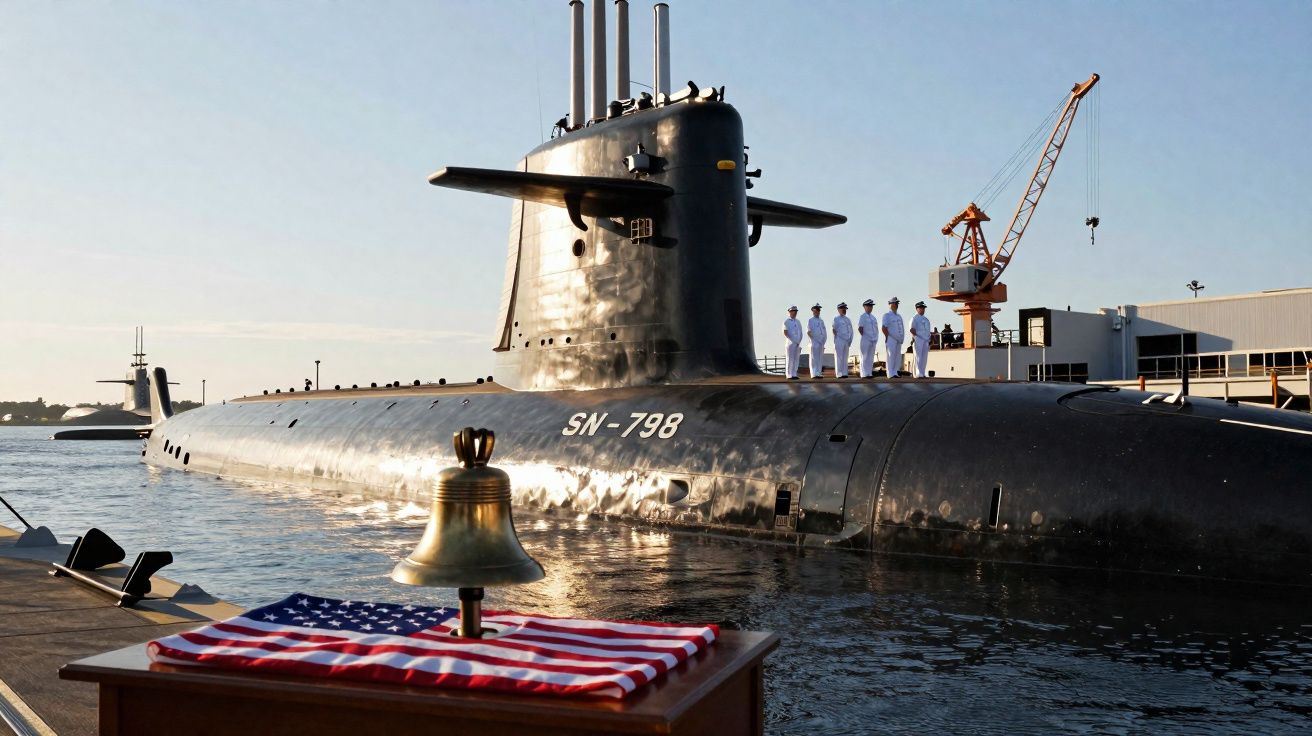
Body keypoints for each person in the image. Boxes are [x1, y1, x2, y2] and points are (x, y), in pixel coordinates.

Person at [881, 297, 905, 376]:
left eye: (897, 303)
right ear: (890, 304)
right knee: (891, 356)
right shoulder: (887, 315)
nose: (896, 305)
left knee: (897, 357)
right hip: (891, 338)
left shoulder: (899, 316)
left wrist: (902, 338)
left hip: (898, 339)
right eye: (894, 303)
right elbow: (884, 327)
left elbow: (901, 328)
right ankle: (890, 373)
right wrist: (887, 337)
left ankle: (895, 372)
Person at [910, 301, 932, 378]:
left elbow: (928, 330)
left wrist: (929, 339)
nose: (923, 309)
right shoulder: (914, 318)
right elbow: (912, 329)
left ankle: (922, 372)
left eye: (923, 308)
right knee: (918, 356)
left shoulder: (926, 319)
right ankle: (917, 372)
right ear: (917, 309)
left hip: (926, 340)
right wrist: (914, 338)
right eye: (921, 308)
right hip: (918, 339)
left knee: (924, 357)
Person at [857, 298, 879, 378]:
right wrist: (865, 336)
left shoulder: (873, 317)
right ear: (865, 307)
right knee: (864, 357)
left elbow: (876, 329)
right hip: (866, 339)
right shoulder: (863, 316)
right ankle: (864, 374)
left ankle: (869, 373)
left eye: (871, 306)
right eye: (869, 306)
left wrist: (875, 338)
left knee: (871, 357)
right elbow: (860, 328)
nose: (870, 307)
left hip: (873, 340)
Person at [831, 302, 853, 378]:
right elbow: (834, 330)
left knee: (845, 357)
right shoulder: (836, 319)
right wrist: (836, 339)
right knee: (839, 357)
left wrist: (850, 340)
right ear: (838, 309)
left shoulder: (848, 320)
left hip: (847, 340)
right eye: (842, 308)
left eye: (845, 309)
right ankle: (839, 373)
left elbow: (851, 330)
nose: (844, 310)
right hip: (839, 339)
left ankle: (844, 373)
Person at [806, 303, 826, 379]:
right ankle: (814, 373)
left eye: (818, 310)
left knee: (820, 358)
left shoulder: (821, 321)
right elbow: (809, 332)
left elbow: (824, 331)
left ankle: (819, 372)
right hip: (814, 342)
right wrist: (816, 339)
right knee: (813, 358)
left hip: (821, 343)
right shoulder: (810, 320)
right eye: (816, 310)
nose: (818, 311)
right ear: (813, 311)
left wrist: (823, 340)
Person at [782, 306, 802, 380]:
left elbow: (800, 332)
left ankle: (794, 374)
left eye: (796, 311)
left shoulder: (798, 321)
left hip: (797, 343)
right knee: (790, 359)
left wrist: (798, 341)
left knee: (796, 359)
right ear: (789, 312)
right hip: (790, 343)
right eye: (793, 311)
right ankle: (789, 375)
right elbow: (785, 332)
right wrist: (792, 340)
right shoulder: (786, 321)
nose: (795, 312)